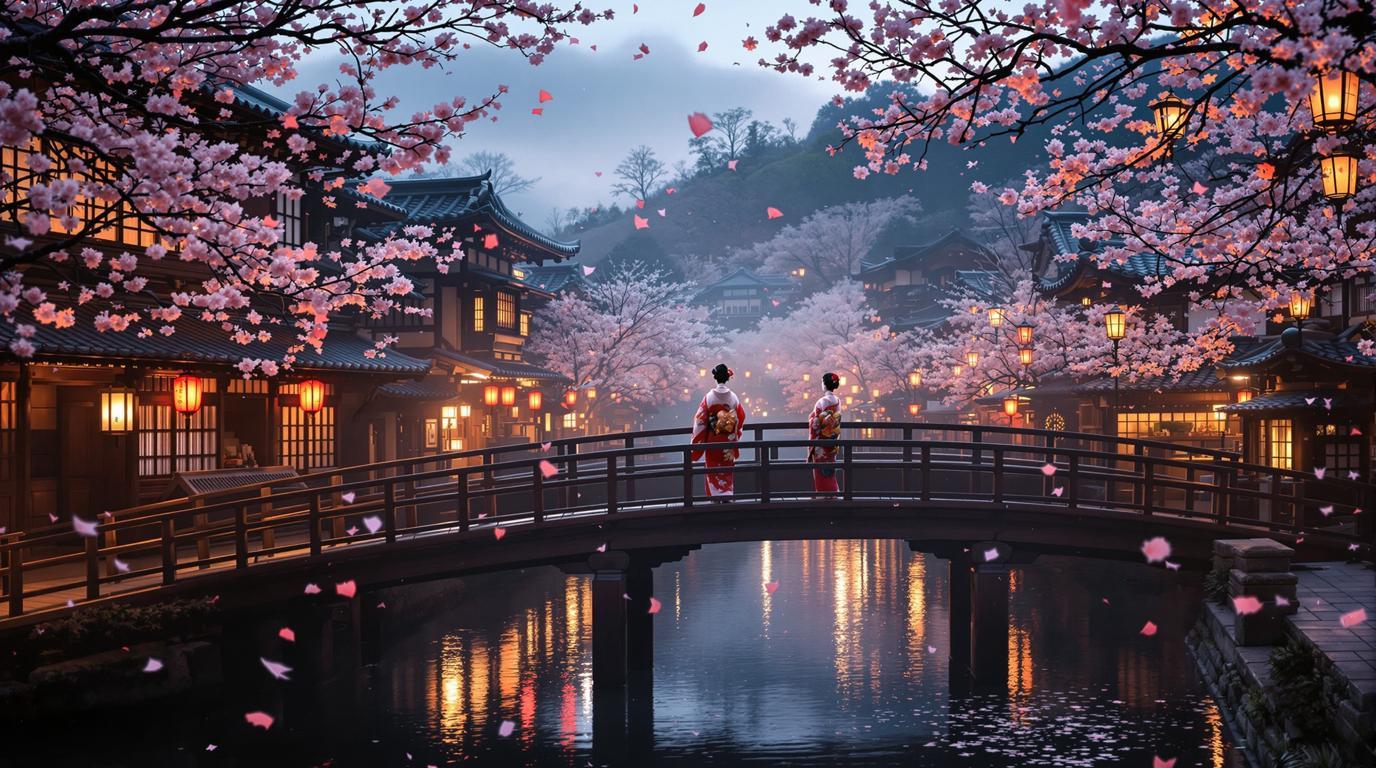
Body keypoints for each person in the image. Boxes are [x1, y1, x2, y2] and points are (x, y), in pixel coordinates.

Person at [691, 364, 746, 499]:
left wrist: (696, 441)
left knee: (713, 468)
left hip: (712, 440)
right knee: (726, 469)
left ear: (715, 378)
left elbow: (700, 421)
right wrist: (734, 432)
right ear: (727, 378)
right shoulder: (733, 397)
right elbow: (741, 417)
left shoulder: (709, 397)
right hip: (728, 440)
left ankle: (715, 497)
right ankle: (727, 495)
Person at [808, 372, 842, 495]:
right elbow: (835, 420)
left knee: (821, 471)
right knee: (830, 470)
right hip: (832, 440)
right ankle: (833, 493)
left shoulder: (823, 401)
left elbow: (816, 423)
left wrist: (812, 419)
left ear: (824, 384)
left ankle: (823, 494)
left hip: (821, 442)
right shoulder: (837, 400)